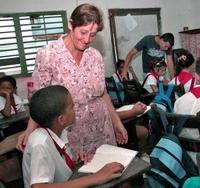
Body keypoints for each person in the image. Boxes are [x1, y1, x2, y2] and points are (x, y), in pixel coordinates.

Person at [17, 3, 128, 160]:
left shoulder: (95, 56)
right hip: (72, 135)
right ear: (70, 24)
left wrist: (117, 122)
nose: (87, 39)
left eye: (93, 34)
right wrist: (30, 130)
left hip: (102, 130)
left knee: (110, 173)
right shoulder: (48, 55)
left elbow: (102, 94)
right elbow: (40, 101)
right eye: (83, 32)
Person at [22, 85, 124, 188]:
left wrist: (74, 162)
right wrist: (96, 178)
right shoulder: (39, 143)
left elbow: (57, 167)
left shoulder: (60, 130)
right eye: (72, 106)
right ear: (61, 119)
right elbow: (38, 187)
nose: (75, 108)